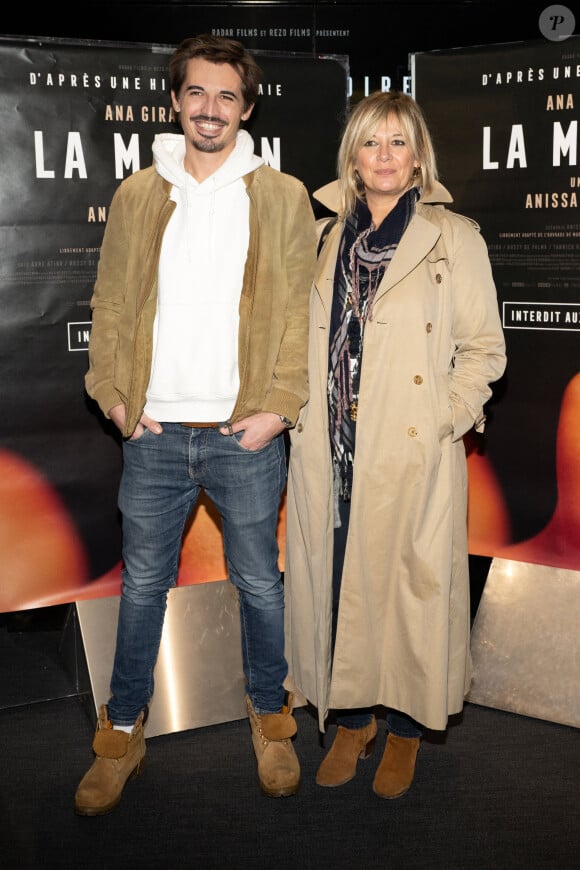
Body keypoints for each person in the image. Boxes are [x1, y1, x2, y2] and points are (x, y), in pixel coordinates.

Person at [74, 33, 317, 816]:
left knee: (259, 586)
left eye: (227, 97)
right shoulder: (139, 193)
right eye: (197, 94)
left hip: (242, 435)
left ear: (247, 108)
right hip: (151, 434)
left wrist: (278, 410)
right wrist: (113, 395)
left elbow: (296, 316)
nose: (210, 109)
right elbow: (110, 301)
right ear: (176, 101)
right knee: (142, 586)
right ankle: (121, 730)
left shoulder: (280, 196)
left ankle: (270, 719)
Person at [284, 90, 507, 799]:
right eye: (371, 142)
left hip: (411, 450)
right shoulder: (321, 239)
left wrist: (443, 415)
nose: (384, 156)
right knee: (343, 584)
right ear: (352, 155)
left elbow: (483, 350)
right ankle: (352, 719)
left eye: (398, 142)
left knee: (411, 590)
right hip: (332, 449)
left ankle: (406, 729)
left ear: (418, 157)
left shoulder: (455, 238)